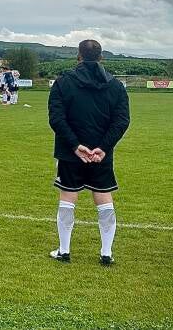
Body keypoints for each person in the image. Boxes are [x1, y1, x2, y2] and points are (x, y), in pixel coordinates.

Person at [48, 40, 130, 266]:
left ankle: (64, 250)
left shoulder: (63, 82)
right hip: (100, 154)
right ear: (101, 57)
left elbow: (56, 118)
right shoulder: (116, 86)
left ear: (78, 56)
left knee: (67, 197)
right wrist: (103, 147)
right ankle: (106, 252)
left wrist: (75, 146)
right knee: (103, 199)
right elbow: (122, 121)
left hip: (70, 153)